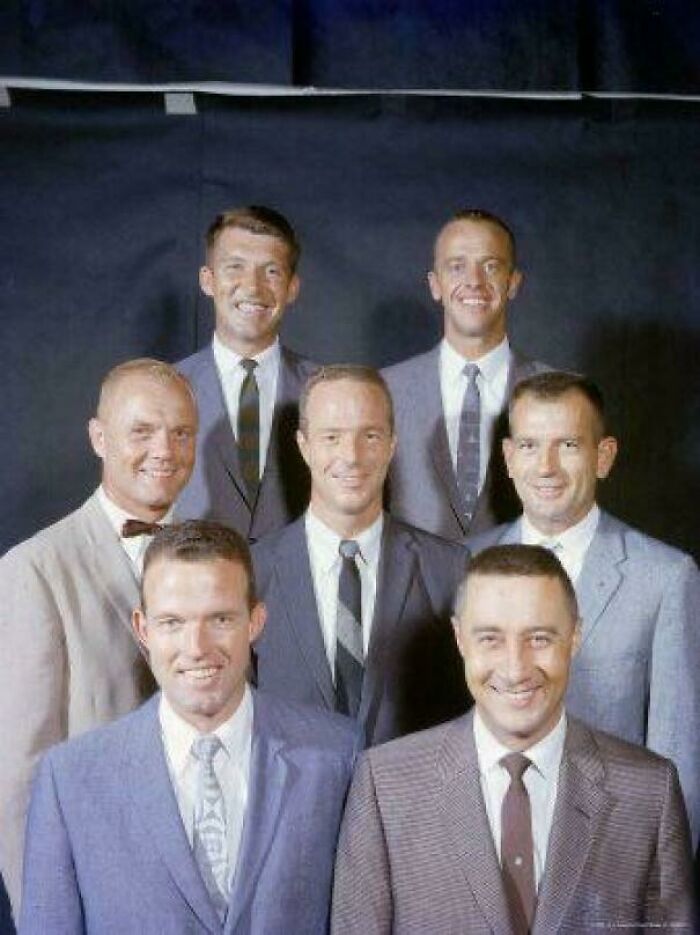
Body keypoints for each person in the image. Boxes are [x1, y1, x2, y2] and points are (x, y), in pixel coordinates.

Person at [332, 545, 695, 933]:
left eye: (539, 638)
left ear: (574, 637)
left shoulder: (648, 791)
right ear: (460, 639)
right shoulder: (385, 786)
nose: (515, 668)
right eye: (490, 639)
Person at [20, 521, 359, 934]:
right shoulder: (70, 779)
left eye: (219, 619)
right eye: (172, 623)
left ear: (255, 622)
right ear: (142, 629)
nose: (196, 648)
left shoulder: (339, 755)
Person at [0, 358, 198, 919]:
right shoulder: (34, 570)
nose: (164, 450)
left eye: (181, 432)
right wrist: (44, 917)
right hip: (98, 891)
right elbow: (17, 780)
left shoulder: (221, 556)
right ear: (99, 437)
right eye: (142, 431)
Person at [467, 370, 700, 846]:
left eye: (568, 445)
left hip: (613, 853)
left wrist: (656, 880)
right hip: (485, 849)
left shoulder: (665, 578)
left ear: (604, 456)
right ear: (509, 458)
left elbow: (679, 760)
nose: (546, 467)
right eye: (530, 446)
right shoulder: (461, 565)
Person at [253, 365, 469, 745]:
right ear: (304, 446)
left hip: (409, 798)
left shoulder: (449, 568)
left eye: (369, 436)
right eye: (331, 437)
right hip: (293, 801)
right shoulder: (252, 571)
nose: (350, 456)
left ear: (391, 444)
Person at [383, 208, 549, 542]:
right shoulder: (385, 389)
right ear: (435, 284)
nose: (474, 281)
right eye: (457, 266)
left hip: (523, 586)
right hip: (416, 591)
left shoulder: (561, 393)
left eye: (491, 266)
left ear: (513, 282)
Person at [177, 206, 318, 541]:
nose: (253, 287)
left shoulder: (326, 391)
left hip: (300, 590)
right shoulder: (168, 389)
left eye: (271, 272)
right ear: (207, 280)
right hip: (194, 587)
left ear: (293, 287)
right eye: (235, 267)